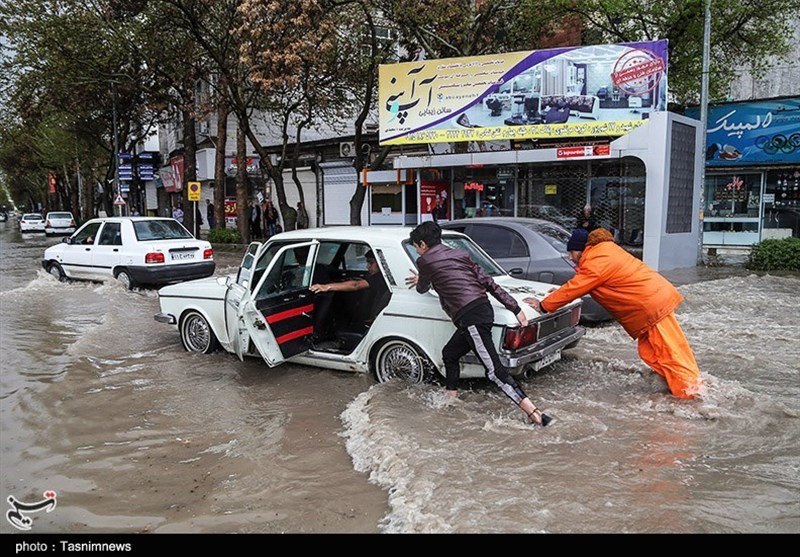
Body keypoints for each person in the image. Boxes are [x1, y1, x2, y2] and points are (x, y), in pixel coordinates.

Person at [524, 228, 703, 400]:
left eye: (572, 252)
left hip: (652, 307)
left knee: (668, 353)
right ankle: (679, 387)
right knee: (653, 352)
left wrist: (543, 305)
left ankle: (689, 395)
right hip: (653, 304)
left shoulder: (596, 260)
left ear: (582, 249)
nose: (570, 257)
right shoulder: (604, 251)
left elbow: (574, 288)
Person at [404, 221, 551, 426]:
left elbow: (422, 288)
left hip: (470, 317)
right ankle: (451, 398)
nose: (418, 252)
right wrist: (514, 308)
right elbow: (488, 282)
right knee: (450, 353)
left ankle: (536, 414)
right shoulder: (460, 254)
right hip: (482, 310)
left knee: (495, 371)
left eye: (416, 247)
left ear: (422, 244)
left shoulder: (425, 261)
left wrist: (422, 277)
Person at [310, 249, 389, 329]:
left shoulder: (380, 278)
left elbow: (356, 285)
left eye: (371, 263)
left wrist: (327, 287)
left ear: (381, 264)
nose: (367, 266)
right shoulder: (379, 278)